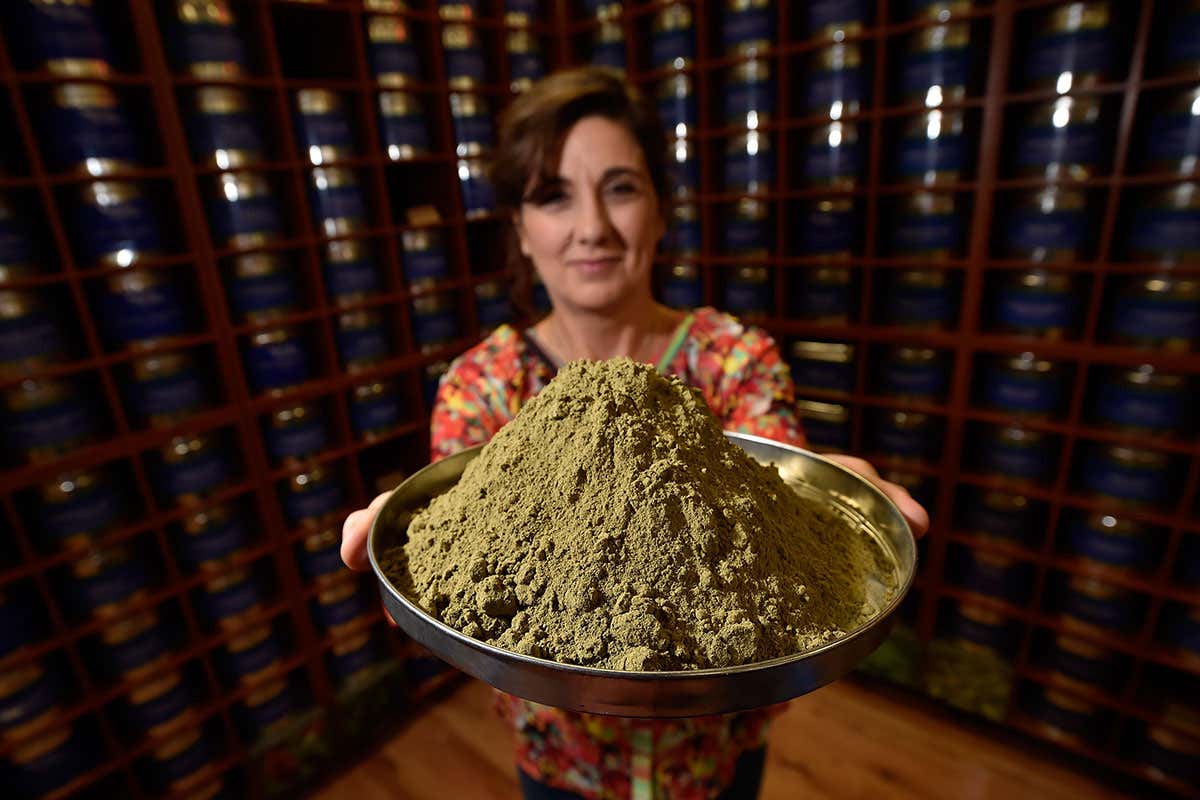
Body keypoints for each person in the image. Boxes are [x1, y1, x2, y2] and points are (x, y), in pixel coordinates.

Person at [341, 66, 930, 800]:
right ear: (520, 230)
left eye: (620, 188)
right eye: (553, 196)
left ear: (660, 210)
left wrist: (832, 496)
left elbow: (777, 510)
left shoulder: (734, 357)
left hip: (717, 756)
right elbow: (462, 558)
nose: (592, 227)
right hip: (563, 763)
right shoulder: (483, 384)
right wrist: (411, 568)